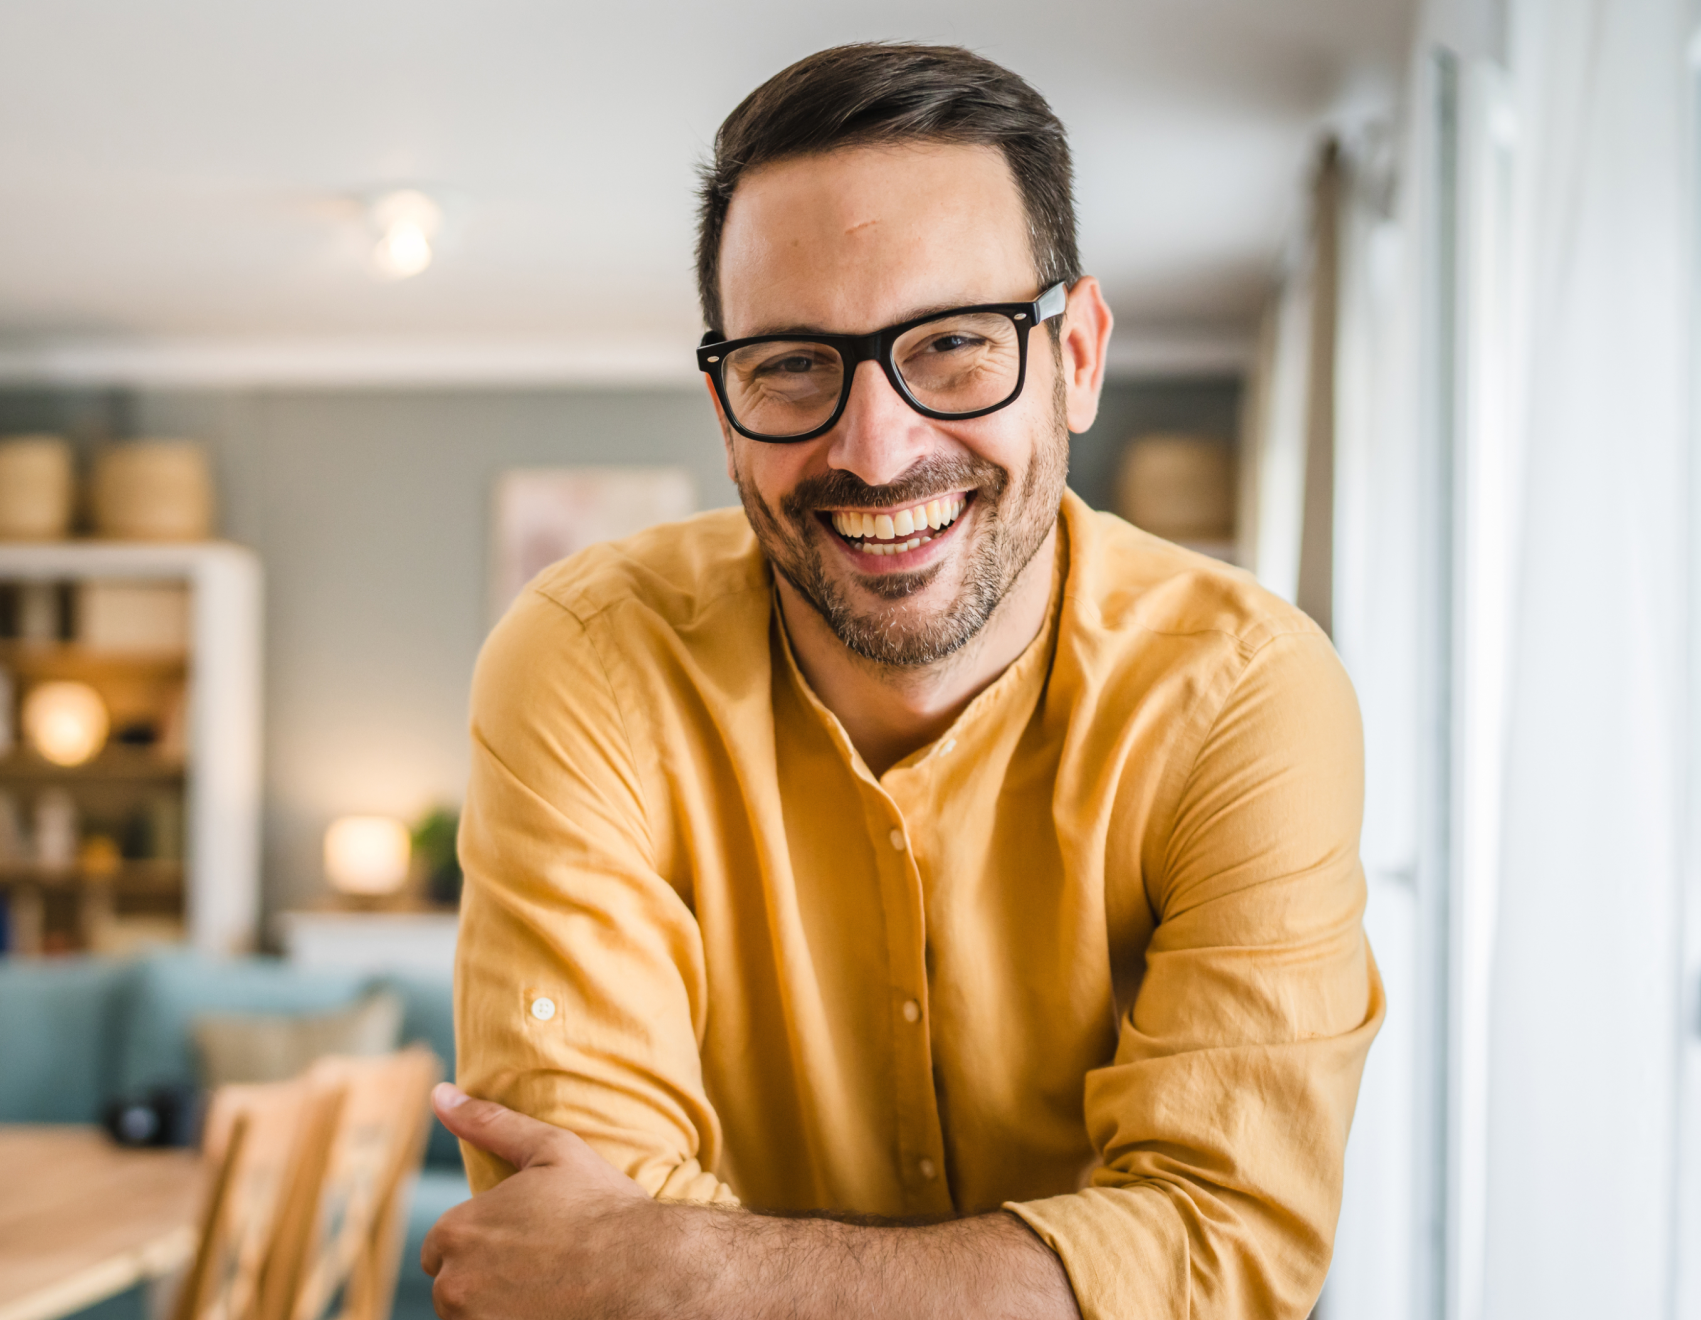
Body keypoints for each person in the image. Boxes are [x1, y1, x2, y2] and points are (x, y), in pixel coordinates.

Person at [421, 42, 1382, 1320]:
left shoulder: (1248, 694)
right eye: (790, 365)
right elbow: (566, 1253)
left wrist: (695, 1272)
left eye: (950, 345)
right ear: (723, 412)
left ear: (1076, 357)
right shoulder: (585, 663)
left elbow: (1220, 1252)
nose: (873, 448)